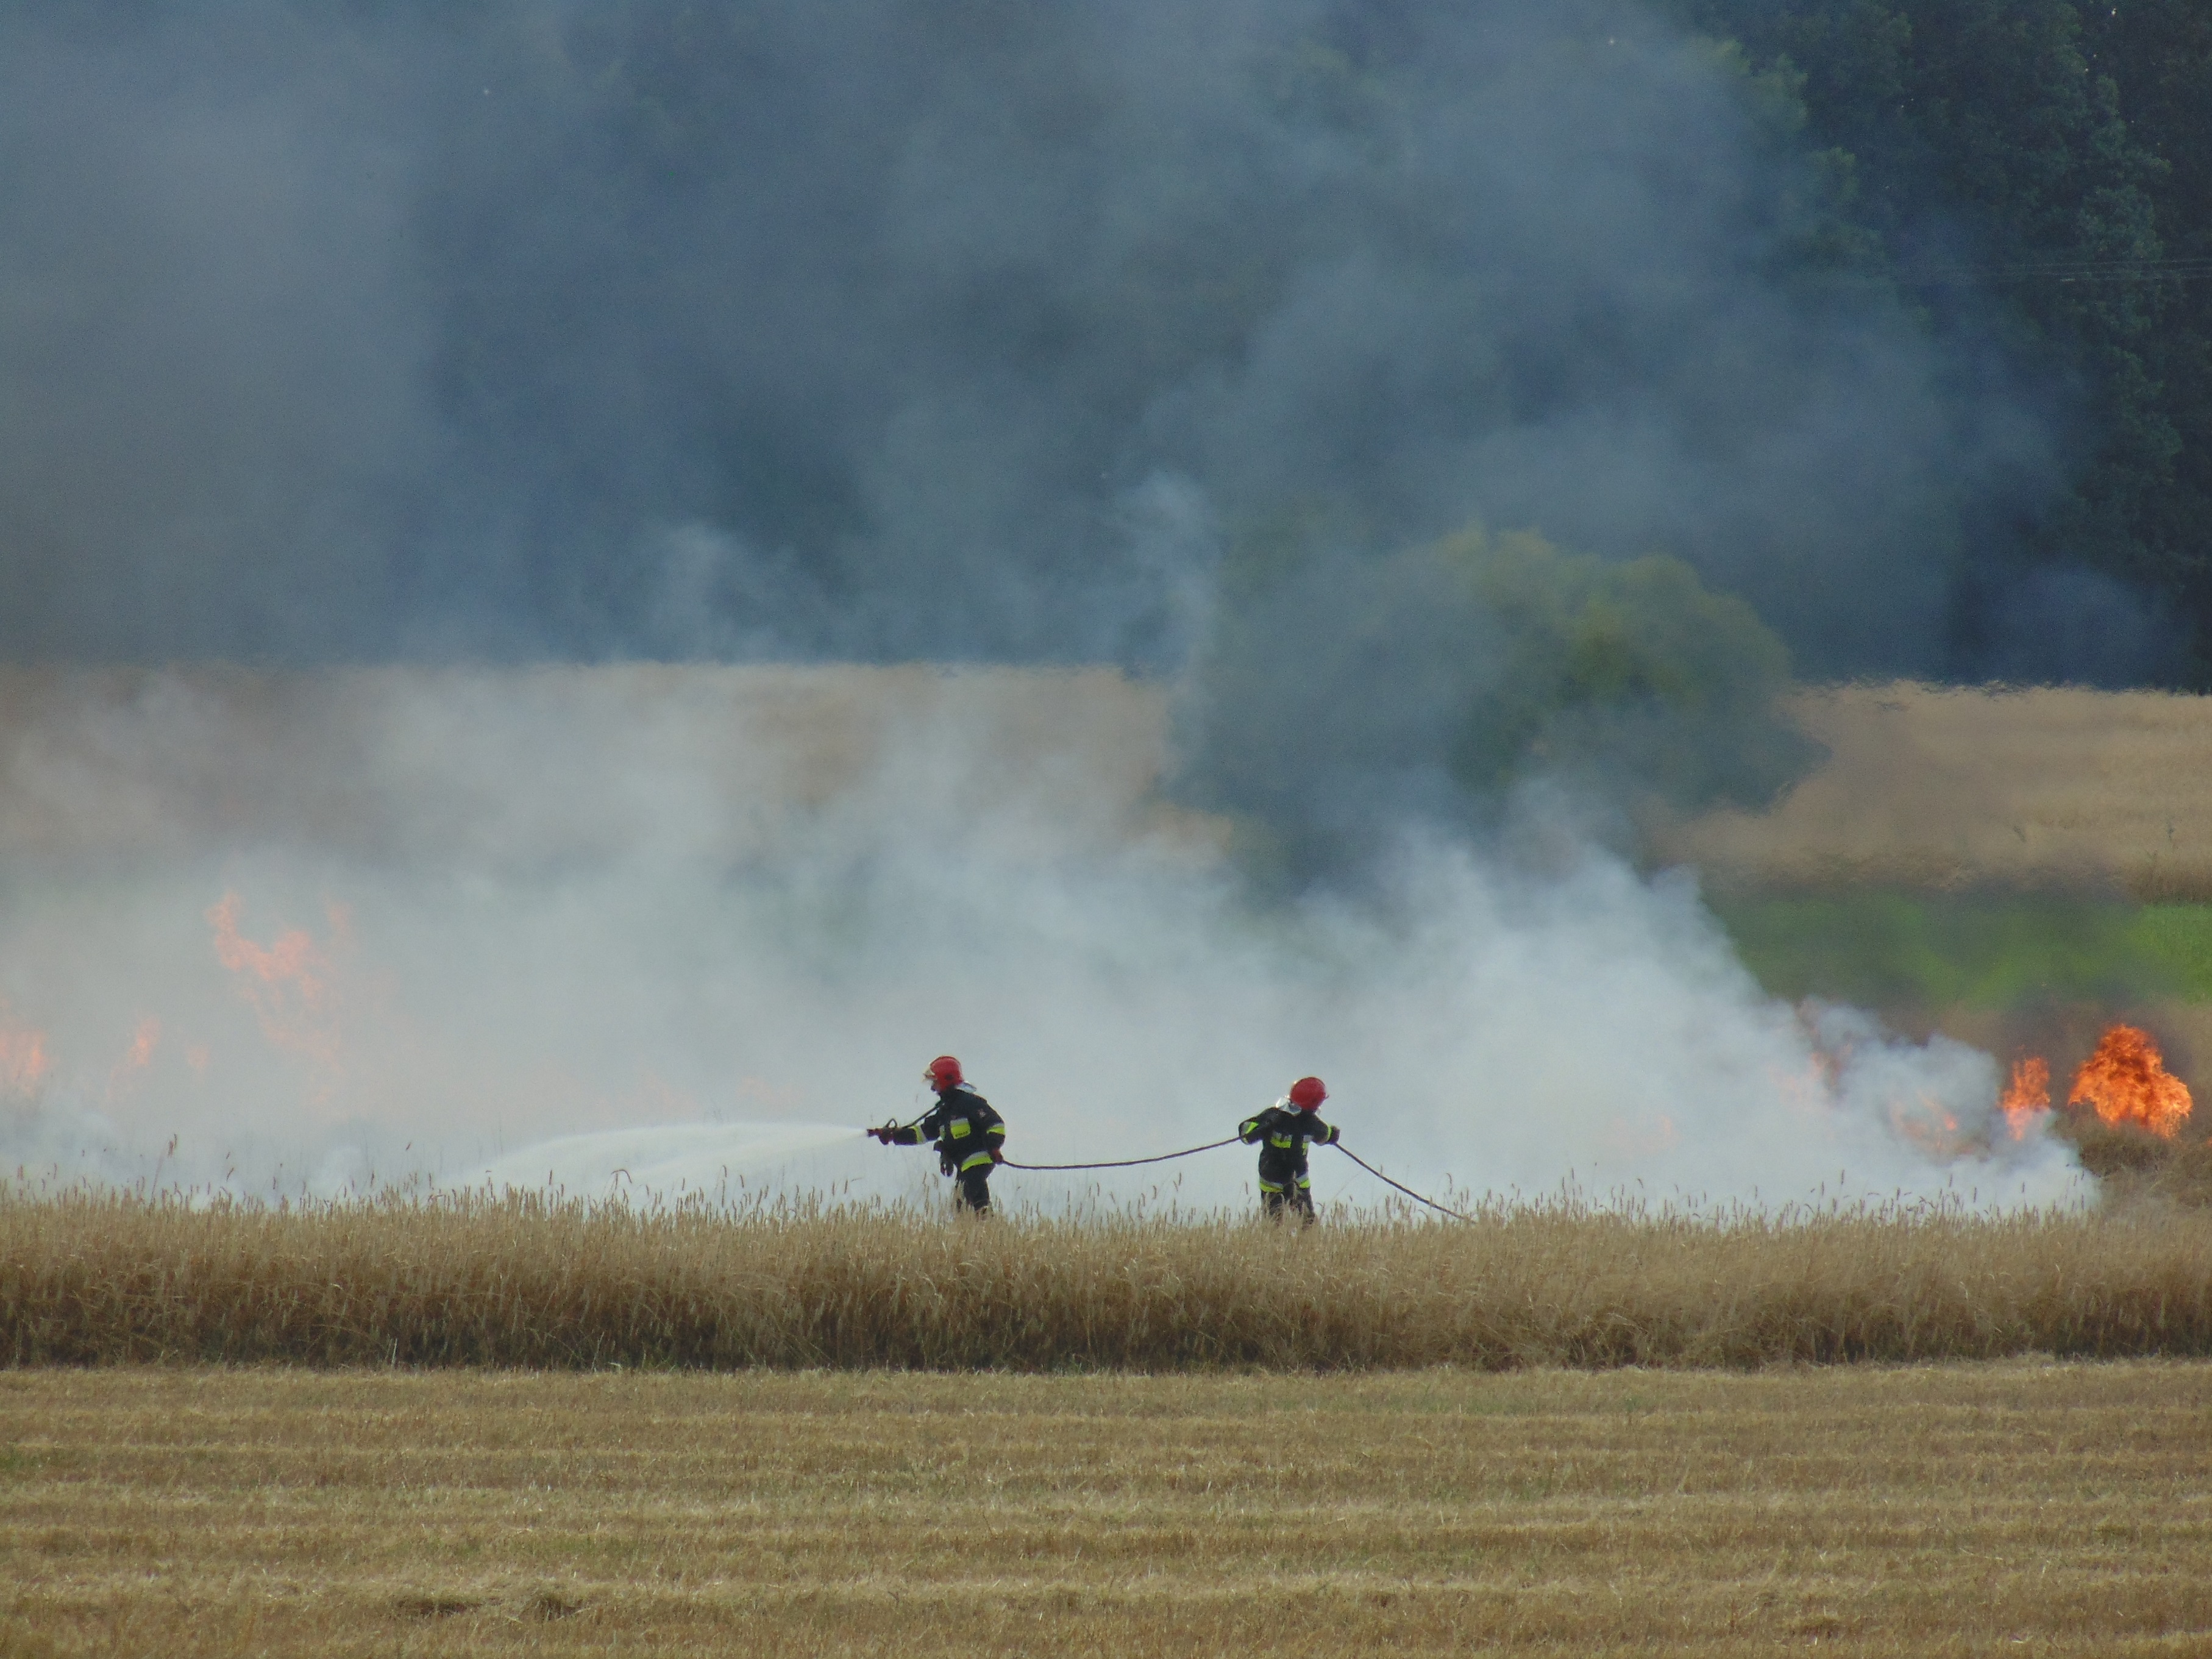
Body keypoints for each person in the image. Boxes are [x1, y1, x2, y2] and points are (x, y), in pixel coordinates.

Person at [871, 1055, 1006, 1213]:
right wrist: (894, 1136)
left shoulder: (969, 1103)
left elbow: (995, 1123)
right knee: (963, 1206)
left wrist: (994, 1147)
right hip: (964, 1165)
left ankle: (987, 1230)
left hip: (978, 1161)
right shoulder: (946, 1110)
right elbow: (924, 1133)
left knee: (970, 1202)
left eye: (935, 1082)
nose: (933, 1088)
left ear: (946, 1079)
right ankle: (984, 1232)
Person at [1239, 1076, 1338, 1222]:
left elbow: (1245, 1134)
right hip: (1297, 1181)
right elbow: (1329, 1134)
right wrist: (1334, 1133)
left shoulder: (1273, 1115)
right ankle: (1306, 1244)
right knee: (1307, 1224)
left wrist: (1263, 1126)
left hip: (1271, 1179)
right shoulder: (1312, 1124)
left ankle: (1273, 1243)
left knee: (1274, 1224)